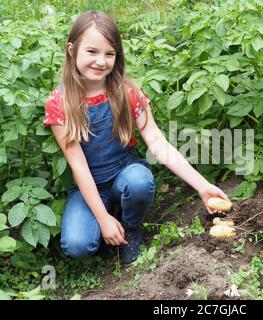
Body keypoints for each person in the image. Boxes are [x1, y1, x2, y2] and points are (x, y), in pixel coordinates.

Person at [43, 11, 230, 265]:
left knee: (139, 181)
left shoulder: (126, 92)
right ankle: (107, 219)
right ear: (71, 50)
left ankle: (131, 227)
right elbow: (78, 164)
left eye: (109, 54)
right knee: (77, 246)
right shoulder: (59, 102)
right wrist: (102, 218)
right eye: (92, 52)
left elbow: (157, 142)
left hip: (125, 173)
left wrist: (202, 185)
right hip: (89, 184)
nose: (101, 61)